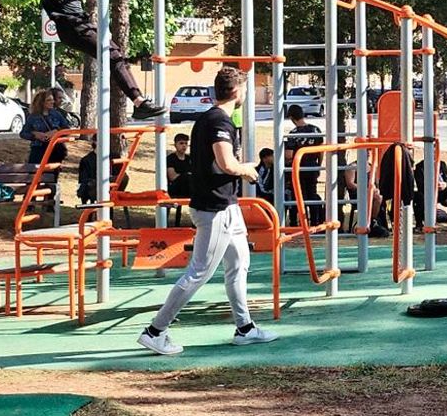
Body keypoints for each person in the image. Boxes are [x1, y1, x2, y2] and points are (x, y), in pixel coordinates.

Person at [137, 66, 277, 355]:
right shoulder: (219, 122)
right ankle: (155, 330)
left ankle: (245, 328)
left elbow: (220, 163)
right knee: (199, 271)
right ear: (237, 92)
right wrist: (247, 171)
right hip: (215, 209)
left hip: (226, 206)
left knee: (239, 263)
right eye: (246, 90)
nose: (246, 95)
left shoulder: (209, 119)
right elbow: (226, 163)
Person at [32, 0, 165, 121]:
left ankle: (139, 102)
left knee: (115, 55)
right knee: (112, 54)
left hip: (81, 23)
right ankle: (139, 102)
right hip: (69, 25)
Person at [283, 104, 323, 225]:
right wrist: (318, 165)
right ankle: (315, 222)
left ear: (292, 117)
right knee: (312, 194)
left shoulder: (293, 133)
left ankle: (295, 222)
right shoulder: (315, 130)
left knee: (297, 195)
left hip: (298, 169)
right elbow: (321, 151)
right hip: (312, 166)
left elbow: (289, 155)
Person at [20, 89, 71, 165]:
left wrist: (56, 131)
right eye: (49, 100)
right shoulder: (33, 117)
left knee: (52, 174)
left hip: (54, 150)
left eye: (53, 100)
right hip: (38, 150)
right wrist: (35, 135)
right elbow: (23, 133)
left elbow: (67, 129)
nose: (52, 102)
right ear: (42, 102)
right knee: (36, 172)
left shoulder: (56, 114)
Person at [413, 158, 447, 232]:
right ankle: (419, 224)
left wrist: (445, 184)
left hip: (440, 192)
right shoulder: (420, 166)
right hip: (426, 192)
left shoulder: (442, 164)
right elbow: (420, 185)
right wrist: (432, 185)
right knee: (417, 196)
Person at [166, 133, 193, 199]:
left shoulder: (189, 158)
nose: (184, 146)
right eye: (181, 143)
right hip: (175, 188)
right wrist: (185, 176)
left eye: (186, 143)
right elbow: (172, 177)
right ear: (175, 145)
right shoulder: (170, 158)